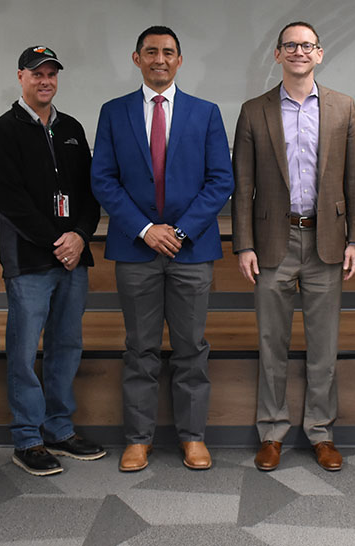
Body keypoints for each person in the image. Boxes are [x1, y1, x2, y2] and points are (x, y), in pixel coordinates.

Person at [91, 26, 233, 472]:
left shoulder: (206, 113)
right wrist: (146, 229)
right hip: (137, 250)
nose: (159, 59)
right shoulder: (113, 113)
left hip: (191, 252)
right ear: (136, 59)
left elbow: (220, 181)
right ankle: (138, 439)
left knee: (191, 348)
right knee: (140, 349)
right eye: (150, 51)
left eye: (168, 52)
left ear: (179, 60)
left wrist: (180, 232)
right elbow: (103, 180)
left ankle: (193, 437)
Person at [232, 21, 355, 472]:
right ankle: (272, 432)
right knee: (272, 343)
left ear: (320, 53)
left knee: (323, 346)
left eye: (307, 45)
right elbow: (243, 186)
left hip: (327, 242)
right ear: (277, 54)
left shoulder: (343, 107)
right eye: (290, 45)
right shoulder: (254, 111)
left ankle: (321, 433)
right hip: (274, 241)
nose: (299, 52)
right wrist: (244, 244)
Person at [0, 45, 105, 476]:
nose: (45, 81)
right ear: (21, 77)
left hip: (73, 259)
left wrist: (80, 236)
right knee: (23, 352)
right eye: (37, 73)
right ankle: (27, 438)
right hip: (30, 261)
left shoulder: (71, 128)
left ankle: (58, 429)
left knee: (66, 346)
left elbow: (90, 192)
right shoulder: (3, 131)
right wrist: (59, 241)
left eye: (51, 74)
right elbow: (11, 202)